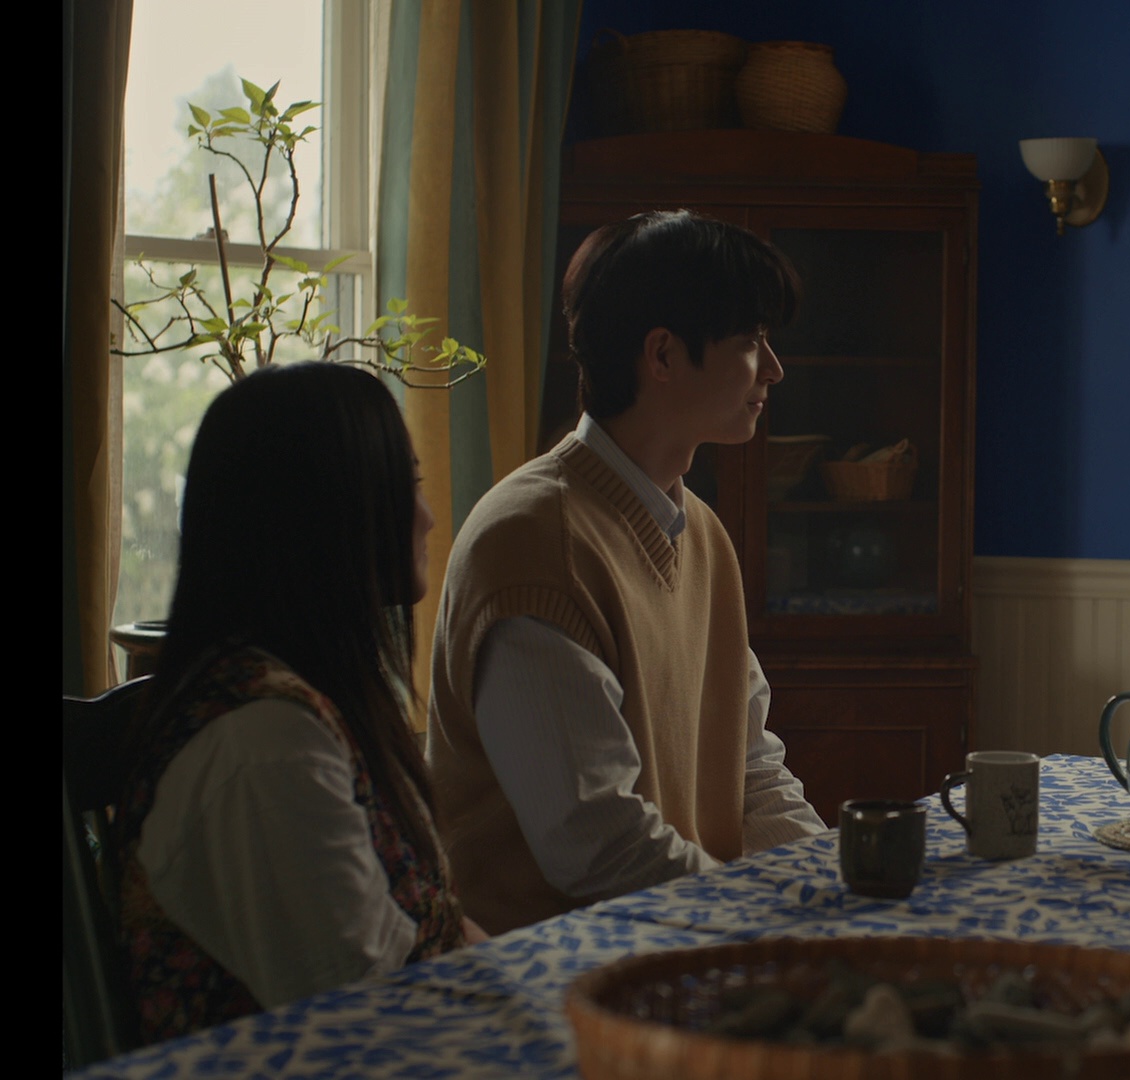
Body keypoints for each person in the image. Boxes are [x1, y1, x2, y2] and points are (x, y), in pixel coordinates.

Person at [429, 210, 827, 934]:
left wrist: (827, 890)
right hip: (554, 969)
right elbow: (596, 845)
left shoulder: (700, 532)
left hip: (683, 939)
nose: (773, 368)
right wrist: (762, 918)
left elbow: (750, 769)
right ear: (663, 355)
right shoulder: (532, 544)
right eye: (749, 341)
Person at [115, 361, 479, 1044]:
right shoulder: (263, 746)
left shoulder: (318, 705)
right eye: (405, 487)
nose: (429, 517)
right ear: (328, 517)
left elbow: (441, 930)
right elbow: (364, 1013)